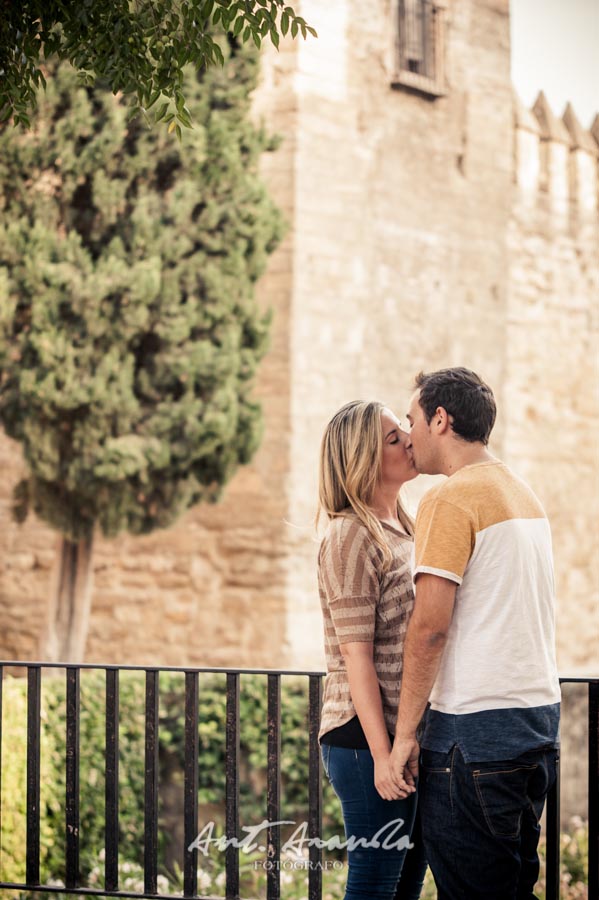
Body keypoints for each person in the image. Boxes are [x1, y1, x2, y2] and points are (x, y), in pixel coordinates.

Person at [389, 367, 561, 900]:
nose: (408, 433)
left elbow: (430, 629)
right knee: (510, 885)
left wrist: (404, 737)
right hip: (536, 723)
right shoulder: (522, 493)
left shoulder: (450, 499)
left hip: (474, 736)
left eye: (412, 419)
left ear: (441, 419)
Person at [316, 400, 428, 900]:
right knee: (374, 883)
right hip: (363, 741)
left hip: (402, 736)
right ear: (363, 459)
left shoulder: (405, 527)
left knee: (406, 883)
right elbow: (355, 656)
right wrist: (384, 756)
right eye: (392, 437)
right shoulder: (349, 535)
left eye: (404, 429)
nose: (408, 438)